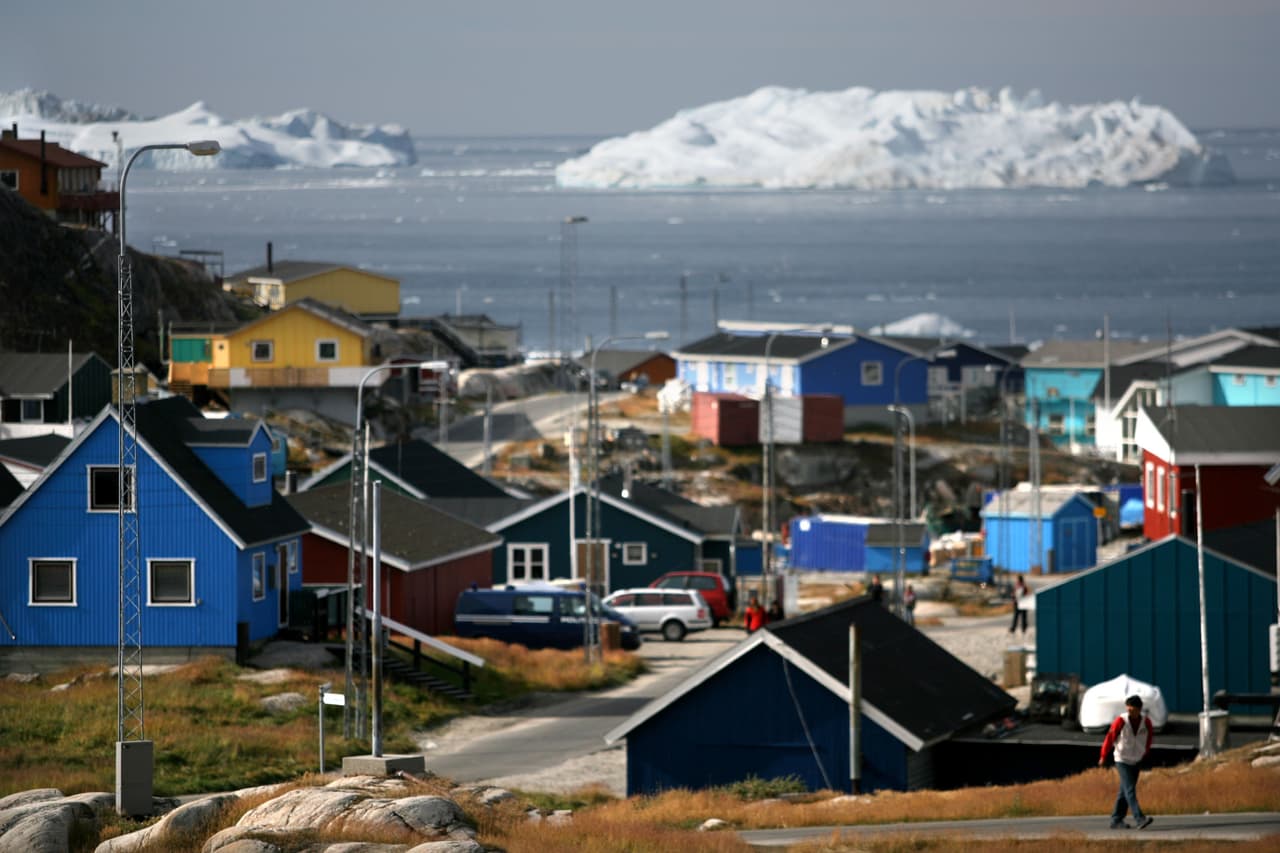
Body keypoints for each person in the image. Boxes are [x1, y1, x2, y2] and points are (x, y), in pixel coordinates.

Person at [1098, 694, 1155, 830]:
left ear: (1139, 709)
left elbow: (1148, 740)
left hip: (1136, 760)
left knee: (1124, 791)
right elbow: (1110, 738)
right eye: (1128, 709)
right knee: (1130, 790)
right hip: (1122, 759)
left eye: (1132, 710)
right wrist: (1103, 756)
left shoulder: (1146, 723)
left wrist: (1144, 754)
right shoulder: (1121, 721)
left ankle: (1116, 819)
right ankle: (1140, 818)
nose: (1129, 712)